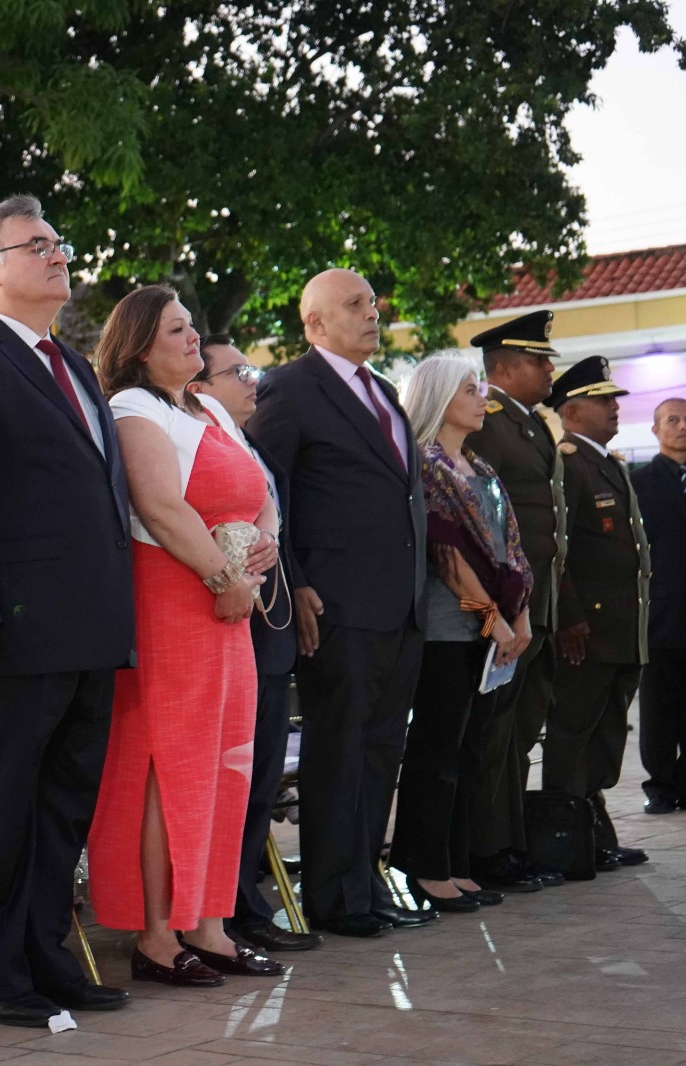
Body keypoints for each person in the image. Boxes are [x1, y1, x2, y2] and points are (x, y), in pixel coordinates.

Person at [0, 195, 135, 1027]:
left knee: (65, 804)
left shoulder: (78, 365)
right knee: (3, 800)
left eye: (60, 242)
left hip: (91, 619)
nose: (58, 256)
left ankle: (50, 956)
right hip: (15, 626)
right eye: (37, 245)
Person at [87, 285, 284, 987]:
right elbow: (161, 507)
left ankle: (210, 924)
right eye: (178, 328)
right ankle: (157, 936)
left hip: (229, 601)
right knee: (167, 771)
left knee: (227, 762)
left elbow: (261, 491)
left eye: (193, 325)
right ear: (140, 346)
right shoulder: (133, 409)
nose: (194, 336)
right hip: (173, 596)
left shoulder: (203, 407)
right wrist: (220, 576)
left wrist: (262, 546)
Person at [245, 268, 433, 938]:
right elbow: (266, 493)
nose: (372, 313)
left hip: (401, 607)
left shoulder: (384, 392)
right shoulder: (291, 390)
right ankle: (334, 896)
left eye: (374, 303)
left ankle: (365, 884)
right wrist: (292, 580)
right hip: (336, 606)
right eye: (355, 305)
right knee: (339, 751)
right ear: (315, 323)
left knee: (381, 750)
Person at [188, 335, 322, 954]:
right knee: (233, 781)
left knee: (259, 778)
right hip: (220, 624)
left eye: (253, 367)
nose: (253, 379)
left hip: (272, 630)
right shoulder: (197, 449)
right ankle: (233, 909)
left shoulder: (257, 448)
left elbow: (278, 533)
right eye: (236, 370)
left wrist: (299, 594)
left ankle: (243, 899)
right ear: (200, 387)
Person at [391, 355, 533, 913]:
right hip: (450, 631)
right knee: (437, 750)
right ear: (439, 398)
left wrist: (517, 616)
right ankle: (426, 868)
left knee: (470, 751)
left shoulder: (482, 469)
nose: (483, 399)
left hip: (492, 629)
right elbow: (448, 559)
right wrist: (490, 619)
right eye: (471, 390)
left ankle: (454, 862)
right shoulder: (427, 466)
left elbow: (511, 551)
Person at [462, 310, 567, 891]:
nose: (550, 367)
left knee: (518, 733)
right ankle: (487, 848)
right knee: (493, 734)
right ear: (503, 367)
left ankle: (510, 840)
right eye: (538, 358)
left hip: (536, 601)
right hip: (502, 608)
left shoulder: (529, 423)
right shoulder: (490, 421)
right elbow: (484, 520)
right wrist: (498, 608)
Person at [544, 356, 650, 870]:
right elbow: (557, 550)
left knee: (606, 733)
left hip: (618, 629)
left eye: (613, 399)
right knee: (573, 733)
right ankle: (566, 835)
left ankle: (593, 827)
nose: (613, 407)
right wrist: (567, 616)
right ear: (571, 410)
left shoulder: (606, 461)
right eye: (602, 399)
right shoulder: (568, 461)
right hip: (586, 628)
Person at [631, 398, 686, 813]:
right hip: (661, 615)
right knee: (660, 708)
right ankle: (661, 787)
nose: (683, 426)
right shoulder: (639, 484)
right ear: (656, 430)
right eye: (673, 420)